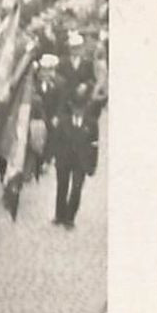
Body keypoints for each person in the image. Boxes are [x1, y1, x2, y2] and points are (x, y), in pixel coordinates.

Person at [48, 88, 99, 228]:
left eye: (81, 109)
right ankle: (59, 215)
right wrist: (53, 158)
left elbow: (94, 146)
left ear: (85, 108)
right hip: (64, 160)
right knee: (62, 188)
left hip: (81, 162)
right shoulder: (64, 122)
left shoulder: (92, 124)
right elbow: (55, 141)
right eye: (76, 108)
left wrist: (92, 165)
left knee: (76, 189)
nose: (78, 111)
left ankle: (70, 218)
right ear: (72, 108)